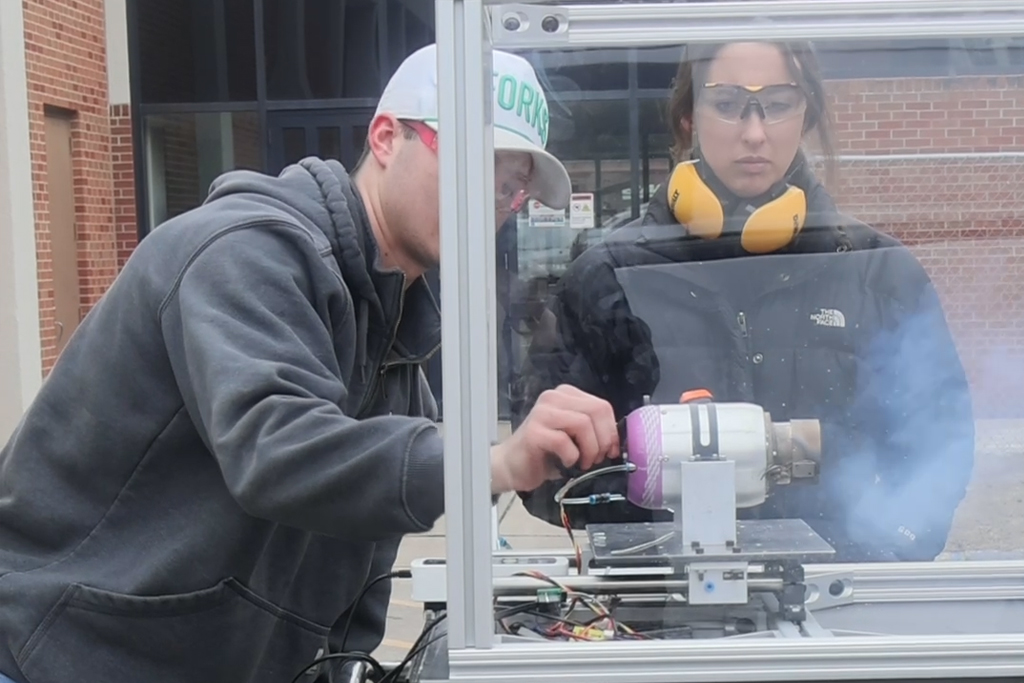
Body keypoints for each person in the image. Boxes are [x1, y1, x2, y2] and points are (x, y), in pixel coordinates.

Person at [0, 44, 620, 683]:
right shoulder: (242, 252)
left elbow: (354, 565)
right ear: (387, 138)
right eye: (471, 164)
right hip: (54, 656)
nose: (490, 200)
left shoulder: (397, 339)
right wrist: (491, 462)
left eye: (510, 186)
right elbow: (277, 449)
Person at [513, 40, 975, 563]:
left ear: (805, 115)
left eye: (777, 104)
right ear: (688, 117)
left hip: (833, 595)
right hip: (662, 601)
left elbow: (939, 443)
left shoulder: (877, 273)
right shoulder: (608, 276)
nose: (754, 133)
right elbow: (544, 477)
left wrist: (881, 552)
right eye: (728, 103)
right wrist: (652, 531)